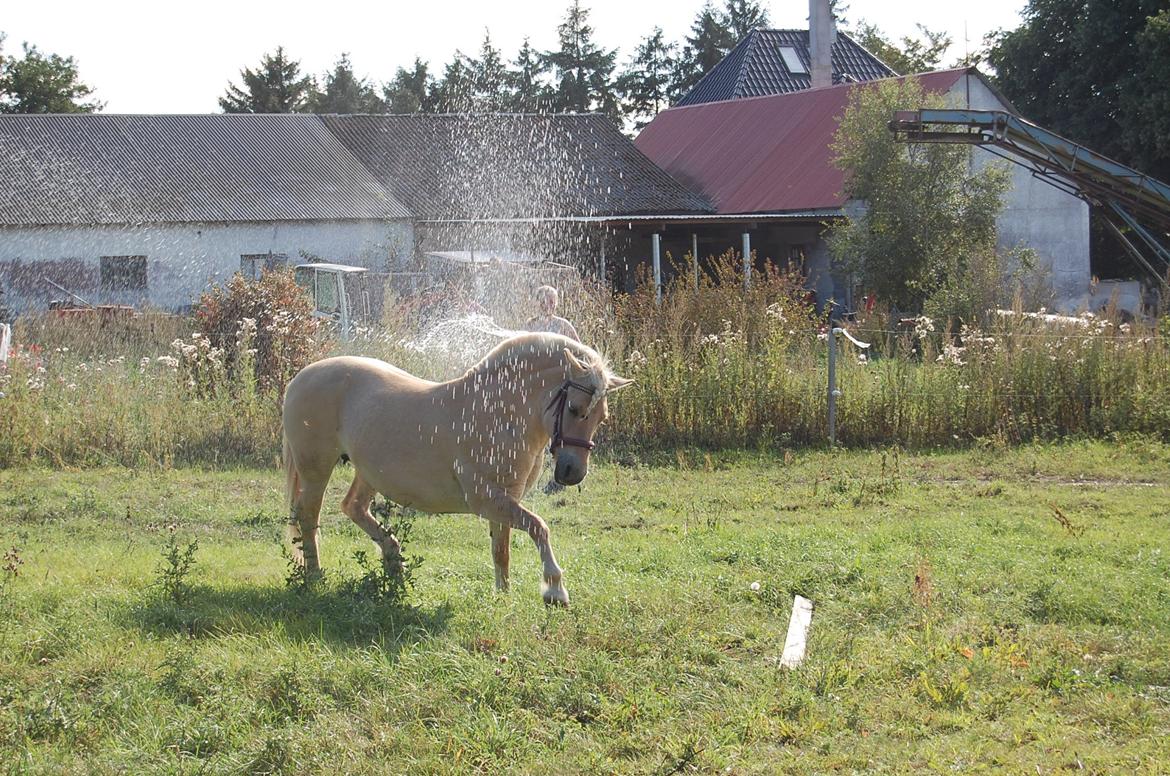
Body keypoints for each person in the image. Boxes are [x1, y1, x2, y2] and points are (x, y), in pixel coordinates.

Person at [524, 285, 580, 493]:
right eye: (544, 300)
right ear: (537, 302)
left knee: (558, 431)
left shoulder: (563, 325)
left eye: (552, 300)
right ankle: (527, 477)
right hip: (537, 388)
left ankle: (558, 478)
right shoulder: (530, 325)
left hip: (559, 388)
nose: (548, 304)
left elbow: (578, 351)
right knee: (535, 432)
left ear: (557, 303)